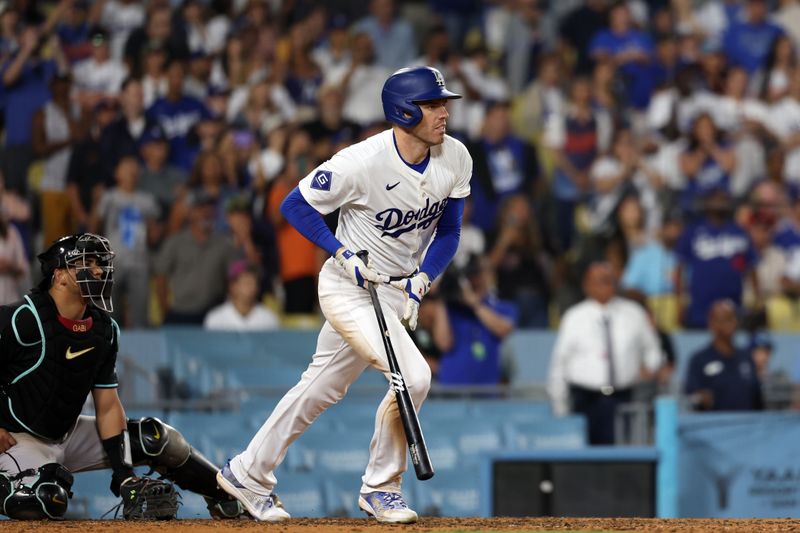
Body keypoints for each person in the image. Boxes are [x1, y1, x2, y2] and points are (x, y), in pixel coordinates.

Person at [216, 66, 471, 523]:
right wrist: (341, 250)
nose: (444, 111)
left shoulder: (455, 157)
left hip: (396, 292)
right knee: (412, 376)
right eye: (433, 104)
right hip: (349, 287)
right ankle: (380, 487)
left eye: (443, 103)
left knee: (320, 389)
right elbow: (293, 204)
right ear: (404, 110)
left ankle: (246, 473)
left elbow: (449, 232)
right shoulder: (362, 161)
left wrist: (425, 277)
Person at [0, 233, 245, 519]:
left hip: (66, 434)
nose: (98, 270)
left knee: (157, 437)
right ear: (60, 275)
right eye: (86, 263)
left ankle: (230, 497)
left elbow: (107, 406)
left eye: (100, 263)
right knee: (45, 500)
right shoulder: (21, 319)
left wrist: (124, 474)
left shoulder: (104, 329)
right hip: (16, 438)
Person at [547, 262, 662, 445]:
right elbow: (560, 363)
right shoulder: (575, 317)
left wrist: (650, 367)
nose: (604, 286)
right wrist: (559, 404)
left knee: (624, 449)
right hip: (586, 397)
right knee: (588, 453)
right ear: (586, 285)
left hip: (624, 395)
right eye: (598, 281)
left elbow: (653, 349)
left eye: (608, 281)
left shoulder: (634, 313)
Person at [684, 300, 763, 411]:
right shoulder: (699, 360)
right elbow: (691, 396)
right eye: (727, 319)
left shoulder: (746, 357)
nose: (733, 323)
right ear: (712, 324)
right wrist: (701, 398)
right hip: (715, 425)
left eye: (734, 318)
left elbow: (758, 400)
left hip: (747, 425)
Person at [203, 260, 279, 331]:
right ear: (232, 286)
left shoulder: (268, 318)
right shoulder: (215, 318)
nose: (252, 288)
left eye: (254, 283)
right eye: (247, 283)